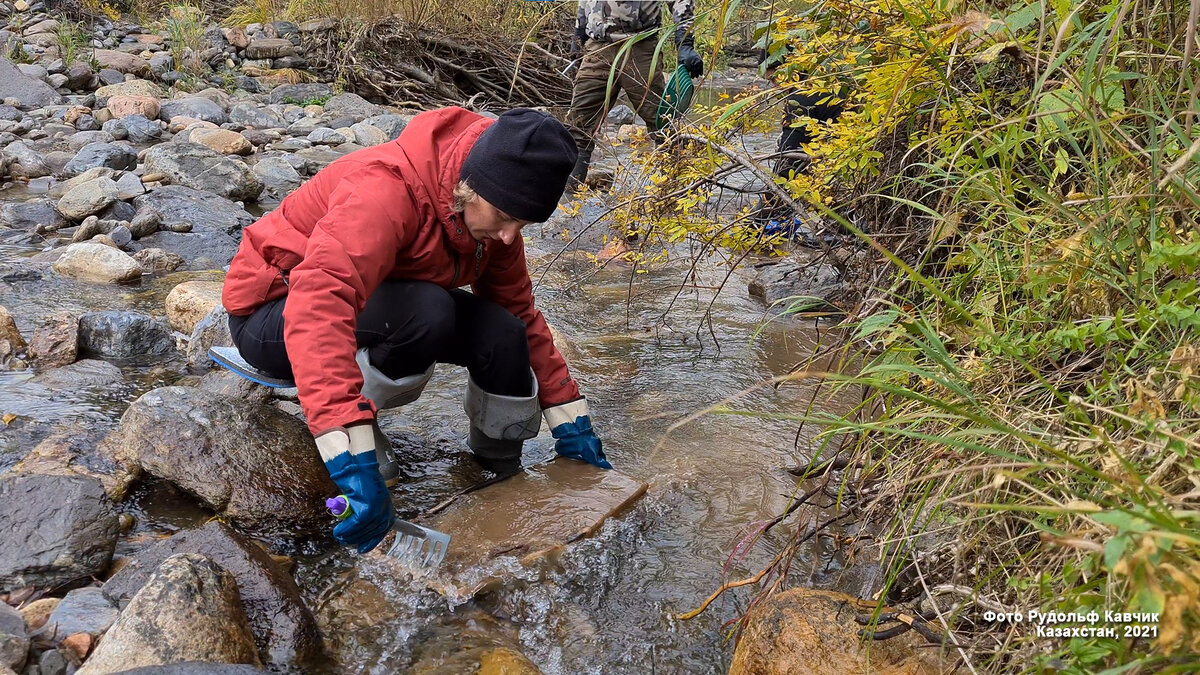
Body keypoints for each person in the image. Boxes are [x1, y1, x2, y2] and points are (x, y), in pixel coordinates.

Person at [220, 107, 612, 554]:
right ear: (470, 188)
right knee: (430, 310)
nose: (509, 236)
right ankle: (366, 436)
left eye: (523, 223)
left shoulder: (492, 220)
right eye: (505, 216)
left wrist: (569, 416)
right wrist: (348, 452)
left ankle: (499, 470)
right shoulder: (384, 191)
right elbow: (318, 304)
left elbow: (519, 311)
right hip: (273, 311)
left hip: (377, 303)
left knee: (504, 332)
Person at [566, 0, 704, 189]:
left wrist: (685, 43)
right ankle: (568, 203)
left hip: (640, 48)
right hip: (597, 49)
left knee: (662, 124)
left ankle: (672, 194)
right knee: (578, 125)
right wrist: (578, 37)